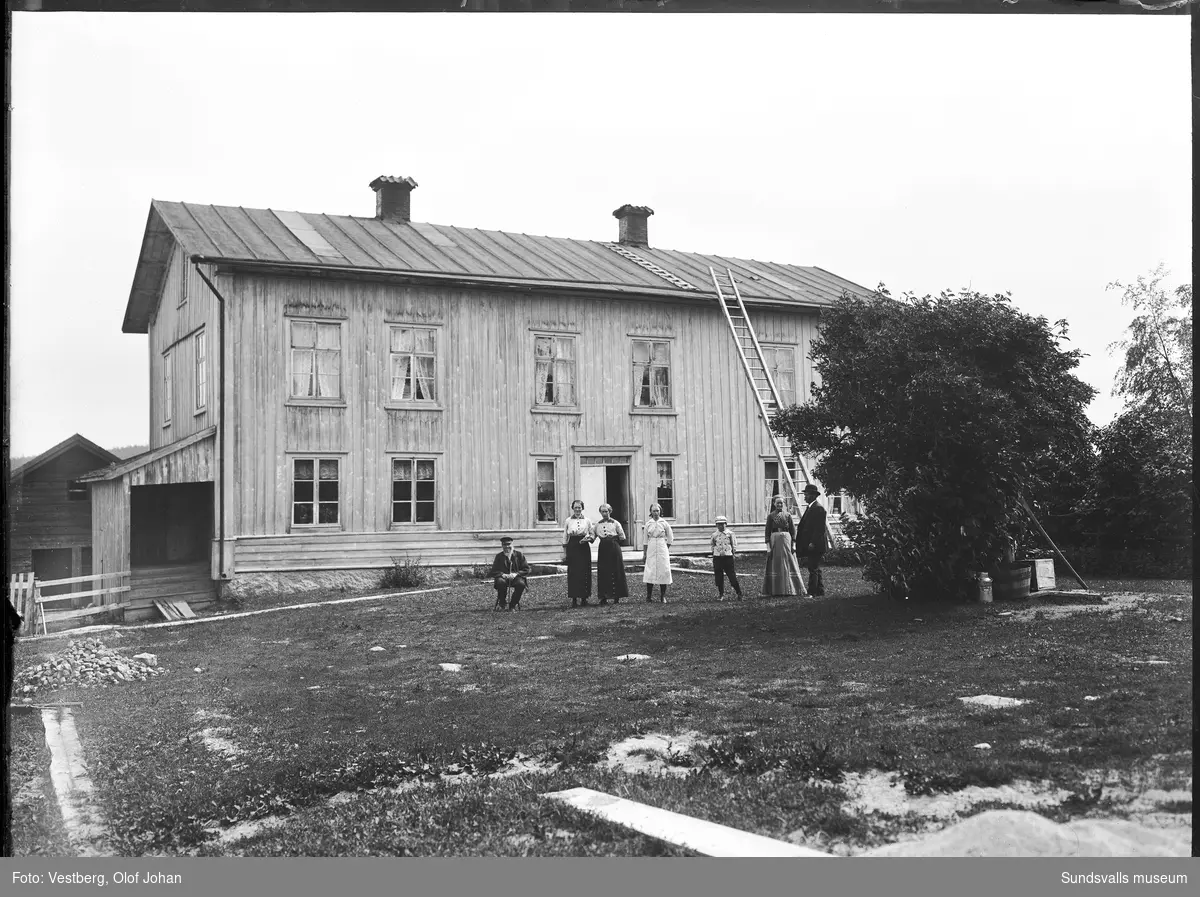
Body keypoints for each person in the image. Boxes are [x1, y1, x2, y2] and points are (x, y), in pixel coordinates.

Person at [763, 495, 806, 596]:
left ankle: (792, 589)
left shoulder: (788, 515)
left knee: (788, 561)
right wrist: (768, 547)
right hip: (775, 541)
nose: (779, 504)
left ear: (784, 504)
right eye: (777, 502)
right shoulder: (770, 516)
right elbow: (767, 533)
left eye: (781, 503)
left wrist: (794, 544)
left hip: (786, 540)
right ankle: (775, 590)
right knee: (776, 562)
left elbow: (793, 531)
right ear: (774, 504)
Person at [593, 503, 629, 605]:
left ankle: (616, 596)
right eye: (603, 511)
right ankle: (603, 597)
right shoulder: (597, 524)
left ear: (610, 511)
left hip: (614, 548)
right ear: (600, 512)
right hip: (603, 548)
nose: (605, 513)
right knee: (604, 571)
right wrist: (587, 538)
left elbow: (622, 537)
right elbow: (593, 536)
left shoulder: (615, 523)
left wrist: (613, 539)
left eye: (606, 511)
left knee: (616, 570)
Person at [796, 484, 828, 596]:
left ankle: (812, 592)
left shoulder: (818, 509)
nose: (804, 497)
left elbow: (819, 529)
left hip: (816, 544)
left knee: (812, 568)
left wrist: (813, 542)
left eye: (806, 495)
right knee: (816, 568)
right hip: (812, 543)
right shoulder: (811, 507)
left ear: (813, 495)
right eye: (805, 494)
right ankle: (820, 591)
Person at [563, 499, 594, 608]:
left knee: (584, 571)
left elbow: (592, 534)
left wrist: (588, 539)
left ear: (582, 508)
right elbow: (565, 537)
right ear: (572, 508)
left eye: (579, 507)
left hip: (584, 546)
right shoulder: (568, 521)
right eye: (575, 507)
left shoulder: (587, 520)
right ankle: (574, 599)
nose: (577, 510)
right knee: (573, 572)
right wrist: (565, 553)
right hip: (572, 546)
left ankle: (584, 598)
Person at [642, 503, 674, 602]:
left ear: (660, 511)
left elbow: (670, 538)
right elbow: (645, 540)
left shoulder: (664, 523)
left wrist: (665, 547)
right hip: (651, 546)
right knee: (650, 570)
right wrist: (645, 553)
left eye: (658, 511)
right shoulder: (648, 524)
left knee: (663, 570)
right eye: (654, 511)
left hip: (661, 546)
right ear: (651, 512)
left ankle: (662, 596)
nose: (656, 513)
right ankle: (649, 596)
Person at [489, 536, 530, 611]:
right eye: (504, 544)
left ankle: (512, 605)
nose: (507, 546)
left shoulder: (519, 555)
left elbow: (526, 569)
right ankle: (502, 603)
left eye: (509, 544)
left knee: (521, 584)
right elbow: (493, 571)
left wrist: (516, 574)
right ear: (502, 546)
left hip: (516, 578)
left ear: (512, 545)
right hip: (503, 578)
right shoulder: (499, 556)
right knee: (500, 582)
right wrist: (502, 574)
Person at [710, 515, 744, 600]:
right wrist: (715, 553)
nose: (721, 526)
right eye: (718, 524)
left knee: (732, 576)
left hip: (728, 557)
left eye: (722, 524)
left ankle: (739, 593)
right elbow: (712, 545)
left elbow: (734, 545)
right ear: (716, 525)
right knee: (718, 577)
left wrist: (731, 553)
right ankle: (721, 594)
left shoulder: (730, 534)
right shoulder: (714, 535)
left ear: (726, 524)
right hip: (717, 557)